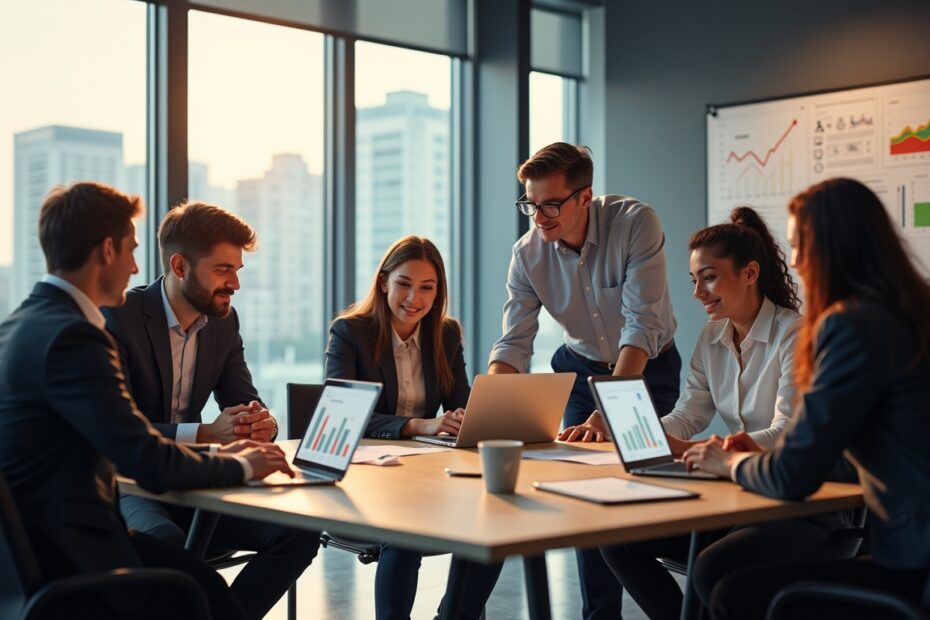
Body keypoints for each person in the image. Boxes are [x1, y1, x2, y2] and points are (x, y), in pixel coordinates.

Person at [0, 182, 294, 619]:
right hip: (74, 554)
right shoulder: (74, 336)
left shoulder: (21, 324)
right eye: (131, 250)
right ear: (106, 250)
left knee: (207, 585)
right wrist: (243, 464)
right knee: (202, 592)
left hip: (35, 554)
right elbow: (145, 458)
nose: (137, 267)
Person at [683, 178, 930, 620]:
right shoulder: (910, 310)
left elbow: (793, 475)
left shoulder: (850, 325)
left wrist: (730, 462)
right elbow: (856, 450)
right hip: (911, 550)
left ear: (830, 248)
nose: (793, 261)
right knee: (718, 572)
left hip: (913, 564)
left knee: (727, 585)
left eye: (799, 246)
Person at [595, 207, 853, 619]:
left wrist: (700, 450)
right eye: (695, 280)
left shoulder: (797, 334)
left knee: (711, 566)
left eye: (709, 277)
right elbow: (687, 413)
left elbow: (787, 432)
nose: (698, 292)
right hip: (741, 494)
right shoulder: (712, 336)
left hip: (802, 505)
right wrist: (642, 434)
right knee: (615, 539)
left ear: (749, 274)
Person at [487, 142, 681, 619]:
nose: (539, 215)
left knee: (635, 482)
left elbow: (641, 327)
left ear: (584, 196)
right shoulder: (527, 254)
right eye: (530, 203)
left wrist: (609, 409)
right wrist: (491, 407)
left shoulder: (636, 223)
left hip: (646, 367)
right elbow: (514, 341)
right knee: (582, 492)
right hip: (579, 368)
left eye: (551, 204)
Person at [103, 201, 320, 620]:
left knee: (298, 533)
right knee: (165, 544)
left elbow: (243, 400)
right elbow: (119, 433)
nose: (235, 283)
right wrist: (206, 435)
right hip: (132, 483)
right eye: (223, 270)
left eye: (237, 269)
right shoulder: (119, 316)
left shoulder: (223, 322)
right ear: (180, 266)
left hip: (200, 479)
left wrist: (262, 422)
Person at [325, 236, 502, 620]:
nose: (414, 298)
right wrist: (419, 424)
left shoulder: (446, 333)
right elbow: (342, 416)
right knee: (404, 533)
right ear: (384, 281)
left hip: (426, 478)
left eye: (427, 287)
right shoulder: (350, 332)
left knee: (495, 521)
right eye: (405, 283)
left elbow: (461, 404)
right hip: (364, 479)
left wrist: (463, 419)